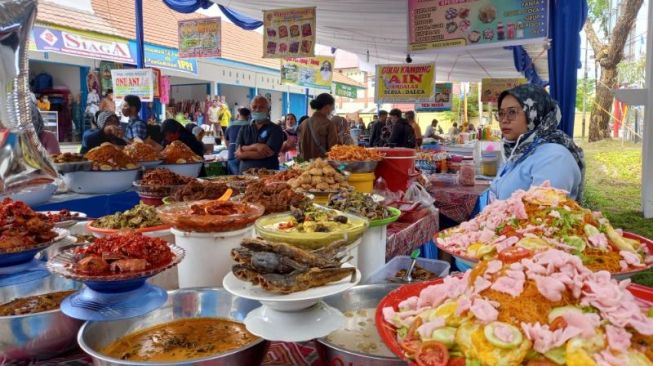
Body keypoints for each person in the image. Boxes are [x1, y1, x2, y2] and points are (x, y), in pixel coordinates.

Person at [490, 84, 584, 201]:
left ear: (535, 113)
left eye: (512, 112)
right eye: (501, 113)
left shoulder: (554, 158)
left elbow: (544, 215)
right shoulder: (518, 152)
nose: (504, 120)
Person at [235, 96, 284, 172]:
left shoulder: (275, 129)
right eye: (254, 107)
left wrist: (243, 152)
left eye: (261, 107)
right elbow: (237, 152)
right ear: (250, 109)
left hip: (268, 176)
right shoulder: (244, 128)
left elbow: (267, 153)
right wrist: (256, 146)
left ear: (268, 110)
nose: (257, 110)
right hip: (244, 176)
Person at [297, 93, 338, 160]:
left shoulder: (303, 123)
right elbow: (333, 150)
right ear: (327, 107)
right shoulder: (329, 124)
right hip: (322, 167)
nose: (332, 110)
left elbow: (299, 147)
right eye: (332, 108)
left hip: (304, 166)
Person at [225, 107, 251, 174]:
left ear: (239, 114)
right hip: (247, 155)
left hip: (232, 153)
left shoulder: (231, 125)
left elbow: (226, 141)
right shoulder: (251, 126)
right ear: (249, 115)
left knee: (235, 178)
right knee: (245, 178)